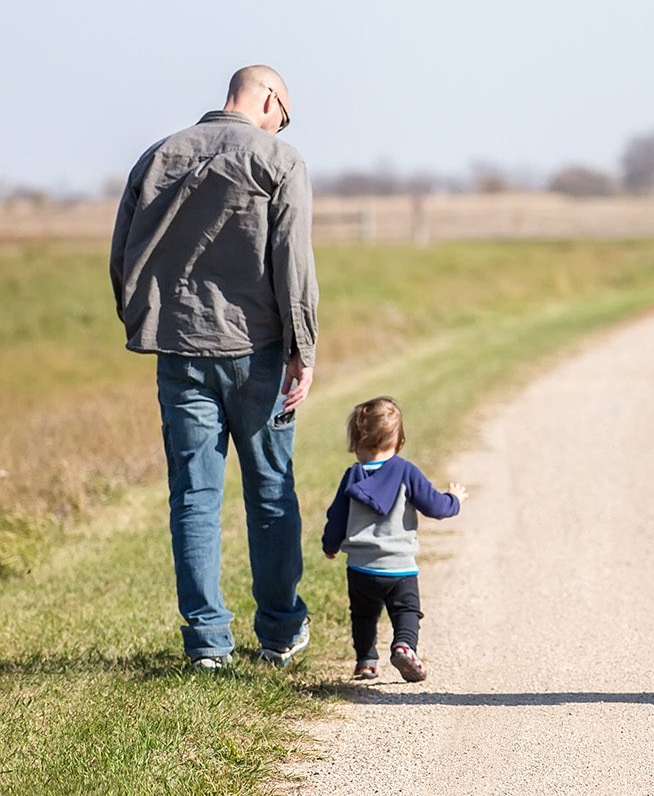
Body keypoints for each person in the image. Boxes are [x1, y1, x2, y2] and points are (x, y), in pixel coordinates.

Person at [109, 65, 317, 669]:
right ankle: (279, 633)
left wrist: (145, 321)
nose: (283, 124)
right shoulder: (279, 159)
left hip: (179, 352)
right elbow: (293, 263)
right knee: (271, 491)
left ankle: (207, 643)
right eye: (286, 112)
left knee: (194, 497)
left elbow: (123, 252)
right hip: (258, 351)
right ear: (269, 99)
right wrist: (302, 349)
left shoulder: (159, 156)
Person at [320, 397, 464, 682]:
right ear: (399, 442)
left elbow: (336, 517)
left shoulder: (351, 477)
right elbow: (435, 506)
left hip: (360, 568)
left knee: (362, 616)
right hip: (399, 567)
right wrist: (454, 499)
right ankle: (404, 646)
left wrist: (330, 546)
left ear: (355, 442)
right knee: (407, 611)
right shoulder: (405, 472)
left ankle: (366, 661)